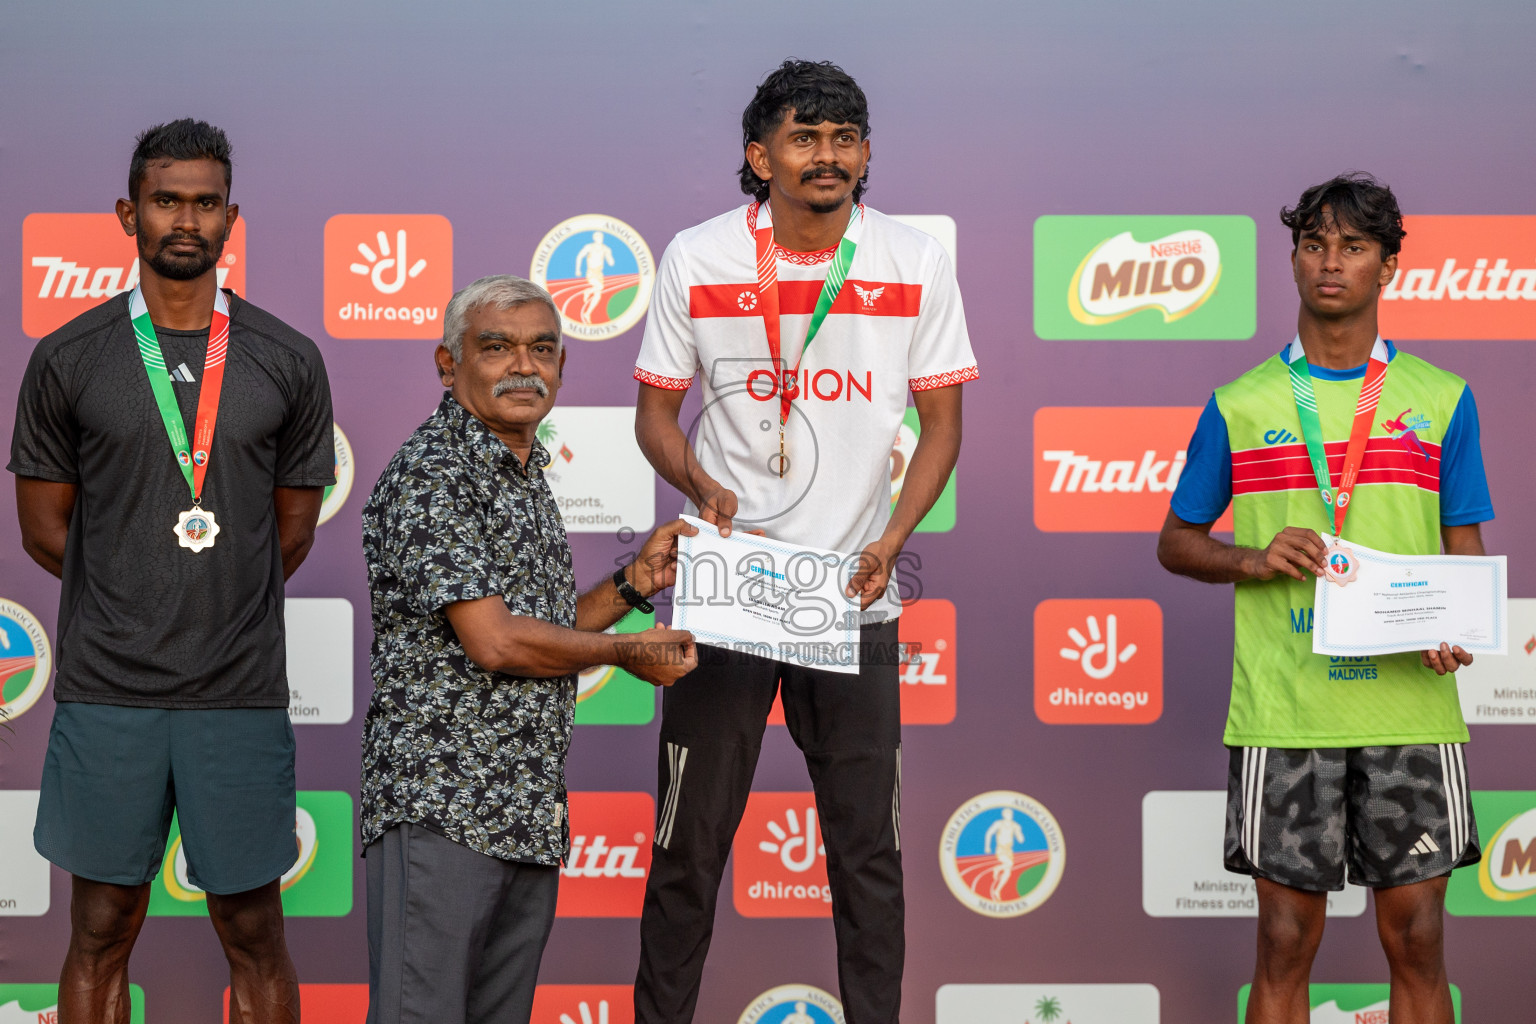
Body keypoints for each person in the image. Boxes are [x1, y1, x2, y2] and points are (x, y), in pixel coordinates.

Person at [630, 60, 977, 1024]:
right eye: (802, 136)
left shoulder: (912, 257)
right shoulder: (698, 256)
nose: (827, 156)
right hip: (729, 588)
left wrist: (894, 536)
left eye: (844, 138)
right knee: (687, 849)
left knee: (869, 853)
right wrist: (698, 483)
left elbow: (942, 427)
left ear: (865, 153)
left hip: (854, 594)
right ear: (759, 155)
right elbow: (655, 415)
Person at [9, 119, 334, 1024]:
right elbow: (44, 531)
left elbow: (291, 537)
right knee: (102, 928)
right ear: (129, 214)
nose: (185, 219)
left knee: (254, 928)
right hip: (110, 690)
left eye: (204, 202)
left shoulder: (287, 359)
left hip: (237, 692)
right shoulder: (69, 358)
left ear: (231, 218)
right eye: (166, 201)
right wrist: (136, 593)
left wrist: (207, 597)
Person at [1157, 173, 1493, 1024]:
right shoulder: (1241, 404)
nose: (1329, 264)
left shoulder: (1442, 398)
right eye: (1313, 245)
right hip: (1285, 711)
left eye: (1352, 247)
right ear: (1295, 261)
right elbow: (1176, 543)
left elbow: (1464, 549)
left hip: (1409, 708)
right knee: (1280, 943)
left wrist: (1458, 628)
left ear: (1388, 267)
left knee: (1418, 941)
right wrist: (1254, 559)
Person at [360, 275, 699, 1024]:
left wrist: (633, 583)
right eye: (497, 347)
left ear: (562, 366)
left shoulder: (523, 473)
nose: (524, 366)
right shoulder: (432, 475)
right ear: (448, 365)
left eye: (542, 349)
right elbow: (496, 642)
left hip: (524, 810)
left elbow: (544, 625)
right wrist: (625, 656)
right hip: (443, 808)